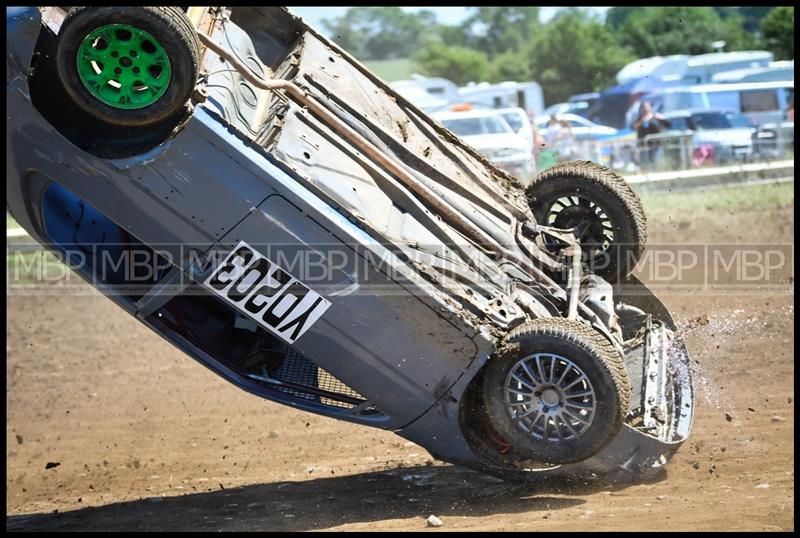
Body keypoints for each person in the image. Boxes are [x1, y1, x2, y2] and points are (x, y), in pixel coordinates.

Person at [633, 100, 671, 171]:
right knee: (645, 163)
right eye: (643, 107)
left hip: (656, 144)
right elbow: (634, 127)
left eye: (647, 107)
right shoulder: (640, 118)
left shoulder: (655, 116)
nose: (645, 109)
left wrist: (661, 117)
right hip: (644, 145)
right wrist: (644, 120)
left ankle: (657, 172)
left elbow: (668, 124)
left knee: (656, 161)